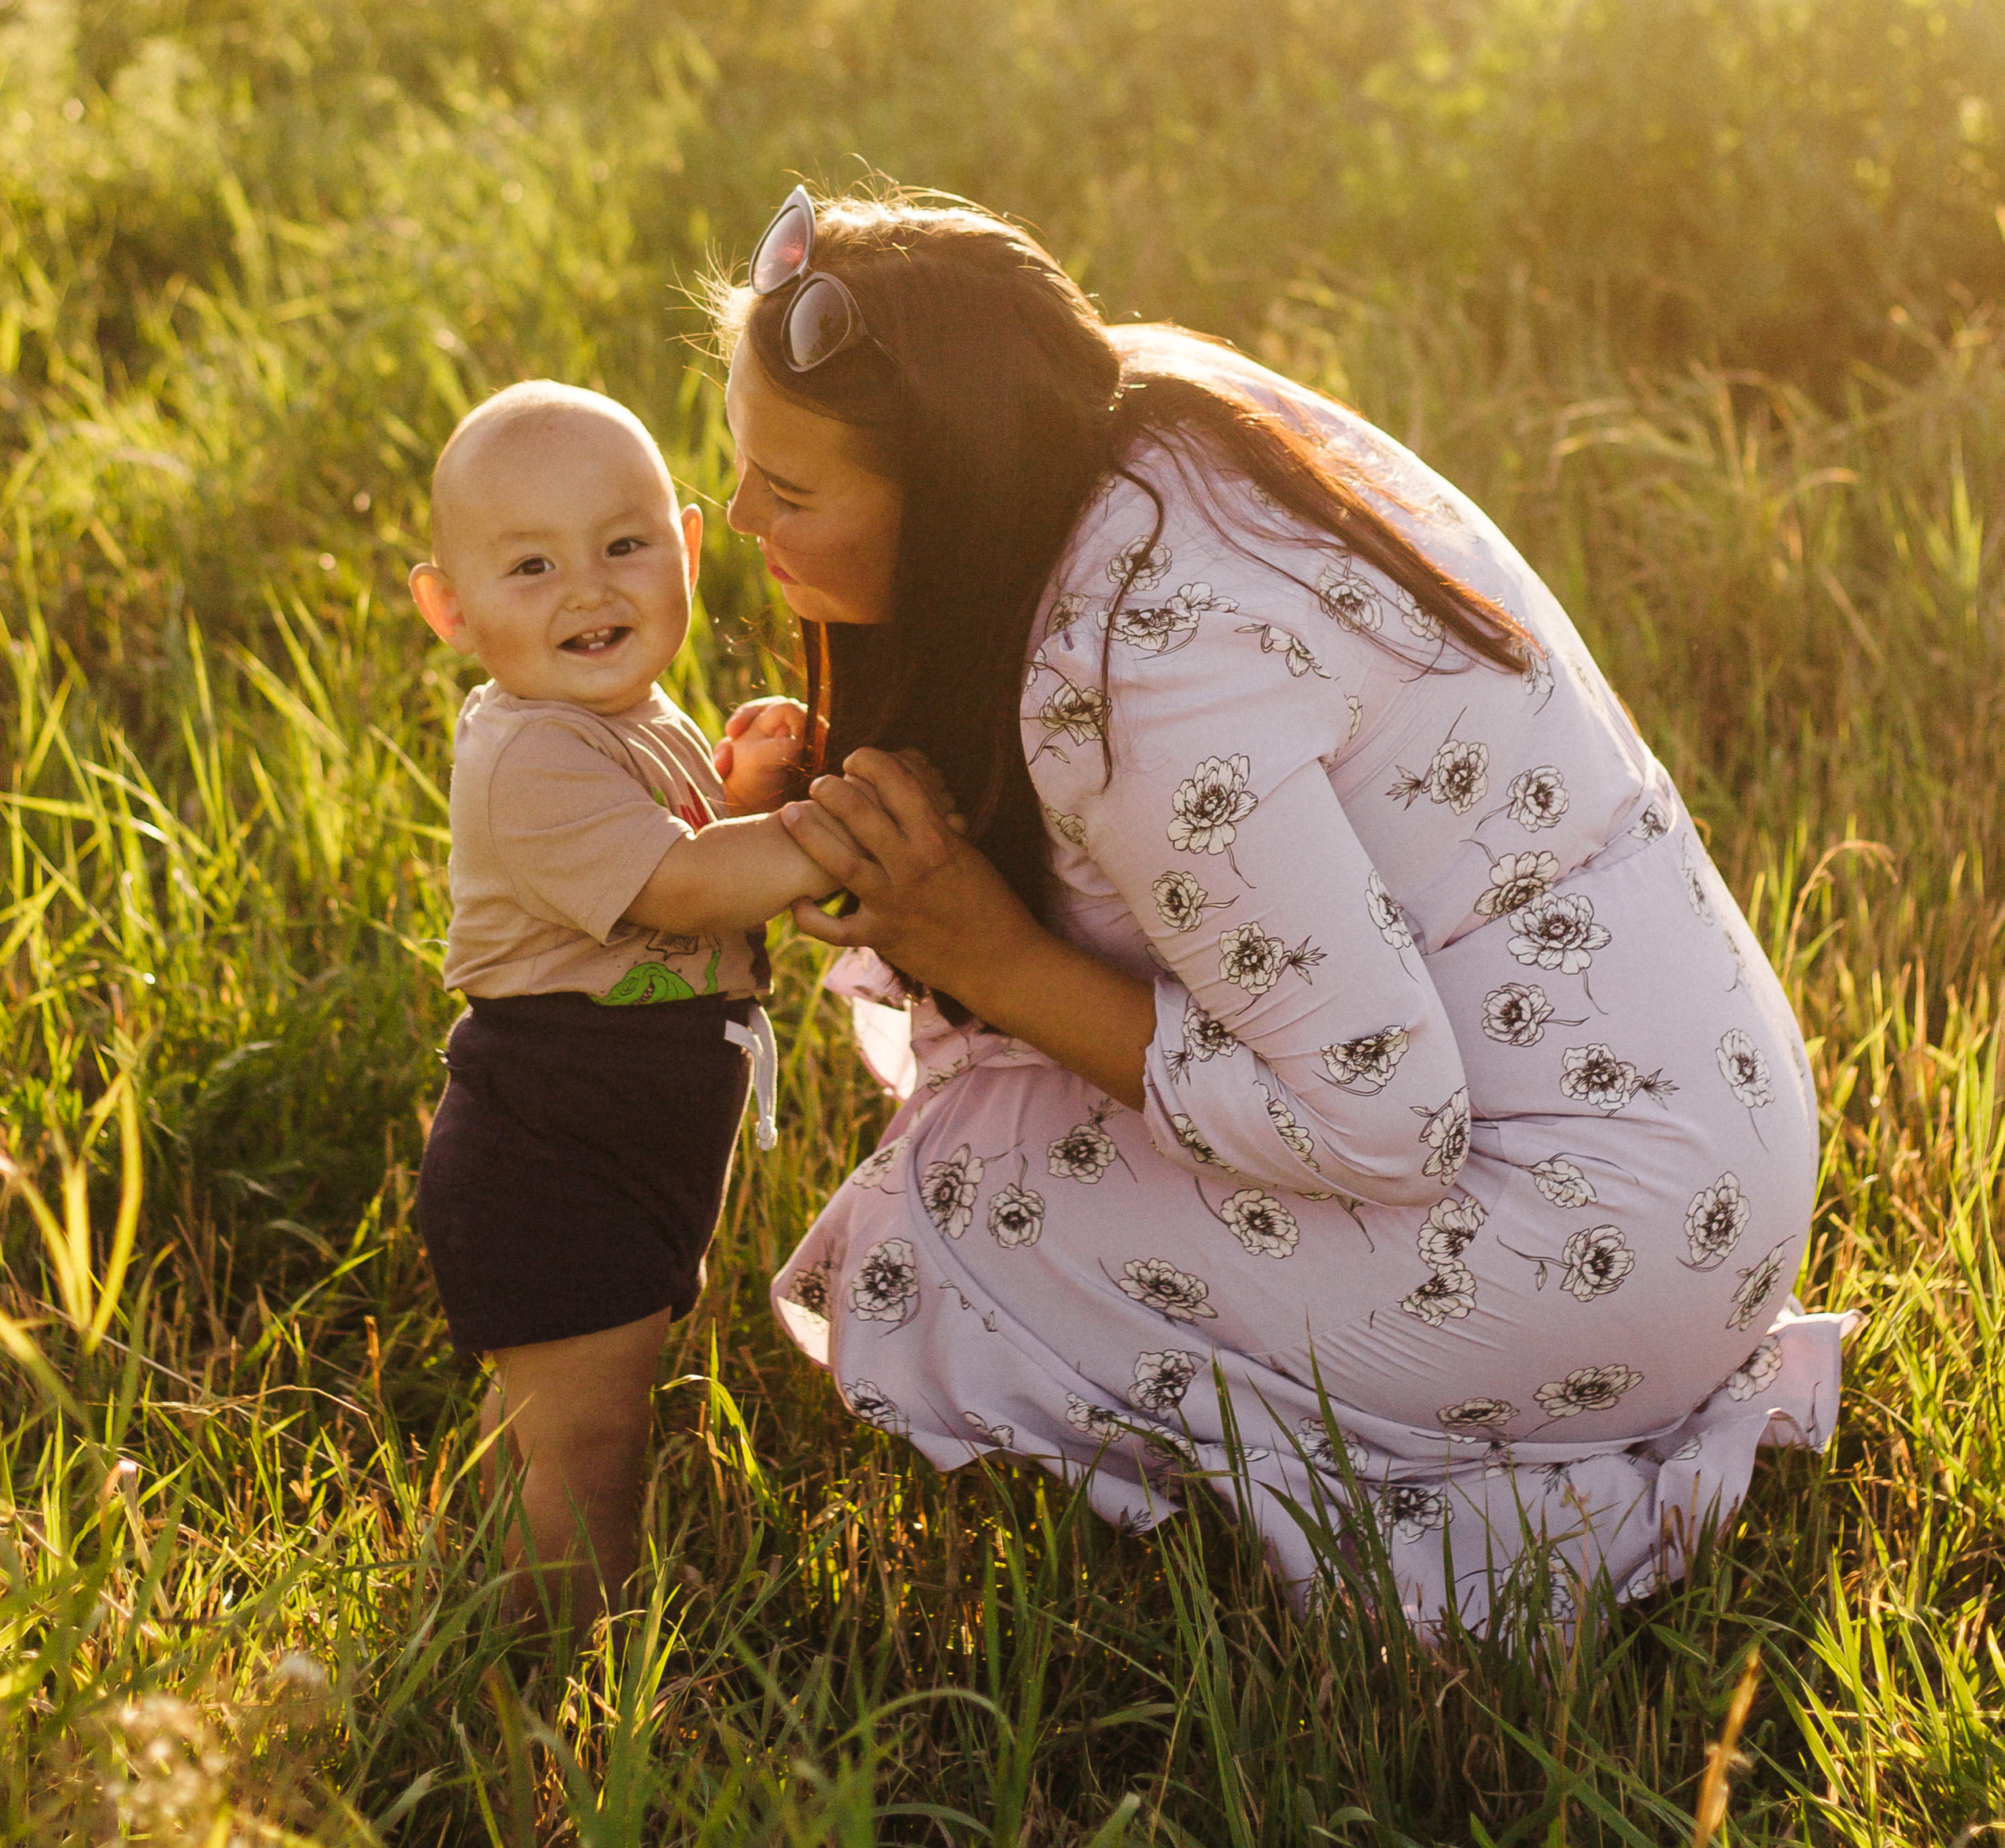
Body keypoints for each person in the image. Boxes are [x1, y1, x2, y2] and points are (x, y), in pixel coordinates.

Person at [714, 187, 1851, 1630]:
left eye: (792, 492)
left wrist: (983, 953)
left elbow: (1387, 1120)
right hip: (1715, 1134)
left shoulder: (1130, 672)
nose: (744, 518)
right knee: (1029, 1084)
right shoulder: (1154, 412)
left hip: (1599, 1254)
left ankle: (1527, 1469)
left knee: (966, 1199)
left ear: (952, 497)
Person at [408, 379, 832, 1639]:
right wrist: (826, 833)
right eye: (530, 566)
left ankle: (480, 1586)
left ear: (687, 551)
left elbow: (690, 833)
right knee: (589, 1434)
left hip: (622, 1138)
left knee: (556, 1412)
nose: (589, 592)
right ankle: (572, 1658)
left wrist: (747, 783)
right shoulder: (529, 755)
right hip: (553, 1150)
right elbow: (689, 884)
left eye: (624, 546)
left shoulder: (623, 718)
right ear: (453, 610)